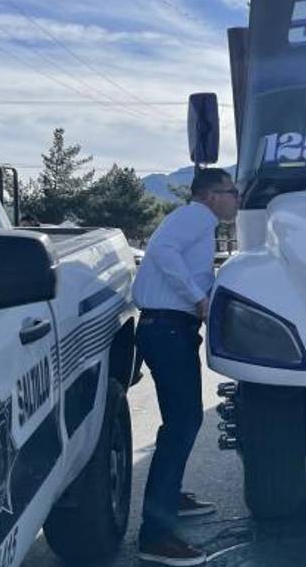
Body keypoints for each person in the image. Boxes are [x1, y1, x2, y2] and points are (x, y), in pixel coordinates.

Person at [131, 167, 238, 566]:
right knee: (184, 422)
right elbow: (161, 253)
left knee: (180, 421)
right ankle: (155, 535)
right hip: (168, 329)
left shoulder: (197, 222)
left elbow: (183, 263)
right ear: (211, 195)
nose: (236, 199)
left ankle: (170, 496)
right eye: (232, 192)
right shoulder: (197, 216)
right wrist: (198, 298)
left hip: (169, 329)